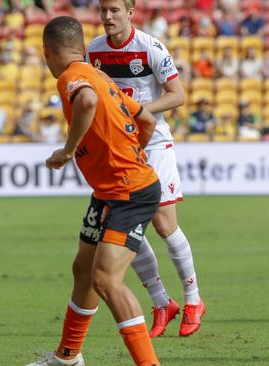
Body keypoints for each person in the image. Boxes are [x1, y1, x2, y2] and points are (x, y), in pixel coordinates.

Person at [27, 15, 161, 366]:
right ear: (83, 48)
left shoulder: (72, 78)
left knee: (105, 279)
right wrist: (133, 150)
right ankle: (68, 357)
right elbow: (146, 119)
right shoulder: (99, 75)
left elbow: (85, 103)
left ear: (47, 52)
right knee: (83, 269)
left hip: (129, 192)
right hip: (109, 190)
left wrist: (68, 150)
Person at [87, 0, 206, 338]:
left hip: (153, 143)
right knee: (120, 224)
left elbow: (177, 94)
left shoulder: (150, 47)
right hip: (120, 147)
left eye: (114, 10)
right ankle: (161, 302)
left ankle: (193, 299)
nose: (107, 17)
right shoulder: (94, 51)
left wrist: (136, 110)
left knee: (164, 224)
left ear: (130, 12)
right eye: (103, 10)